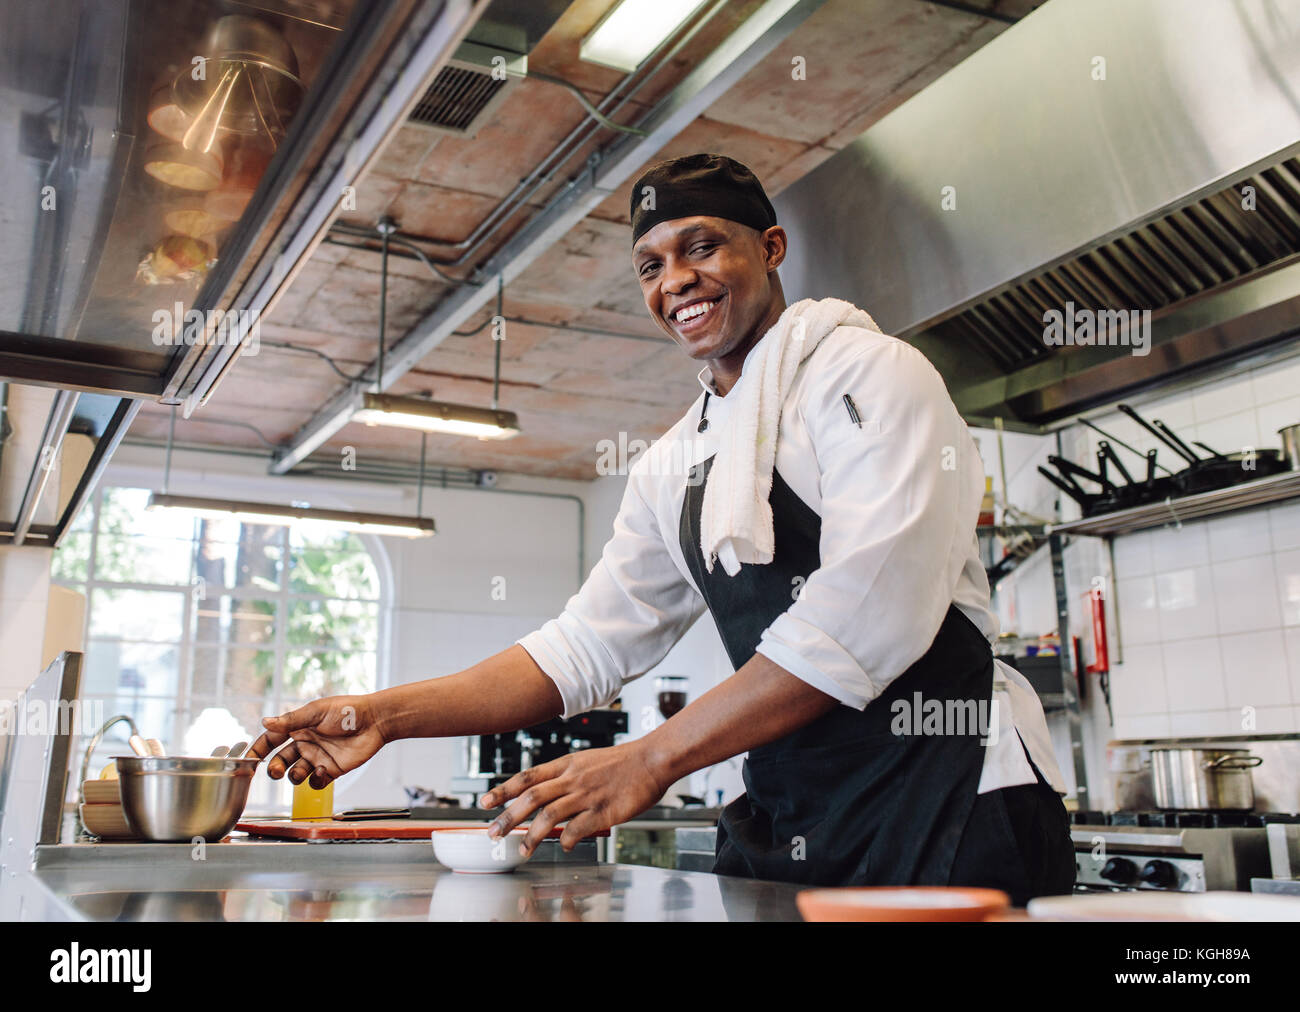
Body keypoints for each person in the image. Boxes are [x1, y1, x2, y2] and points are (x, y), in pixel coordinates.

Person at [249, 153, 1075, 903]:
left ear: (772, 249)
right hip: (802, 804)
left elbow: (868, 612)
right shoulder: (674, 463)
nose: (676, 280)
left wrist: (650, 758)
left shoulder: (867, 374)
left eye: (703, 247)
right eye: (652, 265)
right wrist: (385, 717)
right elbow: (584, 648)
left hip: (951, 792)